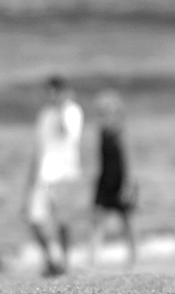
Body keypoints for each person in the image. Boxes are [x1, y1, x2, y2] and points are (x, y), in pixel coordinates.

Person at [23, 75, 84, 276]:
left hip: (64, 173)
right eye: (48, 92)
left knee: (62, 220)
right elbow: (38, 147)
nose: (50, 96)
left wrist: (61, 107)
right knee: (34, 219)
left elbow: (66, 133)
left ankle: (64, 263)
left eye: (54, 92)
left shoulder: (72, 111)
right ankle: (52, 257)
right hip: (43, 173)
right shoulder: (44, 113)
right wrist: (30, 178)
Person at [88, 90, 138, 268]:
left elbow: (128, 161)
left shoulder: (121, 132)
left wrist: (127, 185)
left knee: (126, 221)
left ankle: (133, 257)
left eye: (106, 112)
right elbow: (101, 159)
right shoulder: (102, 132)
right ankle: (93, 259)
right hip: (105, 180)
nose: (102, 116)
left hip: (121, 180)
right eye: (100, 112)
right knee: (97, 218)